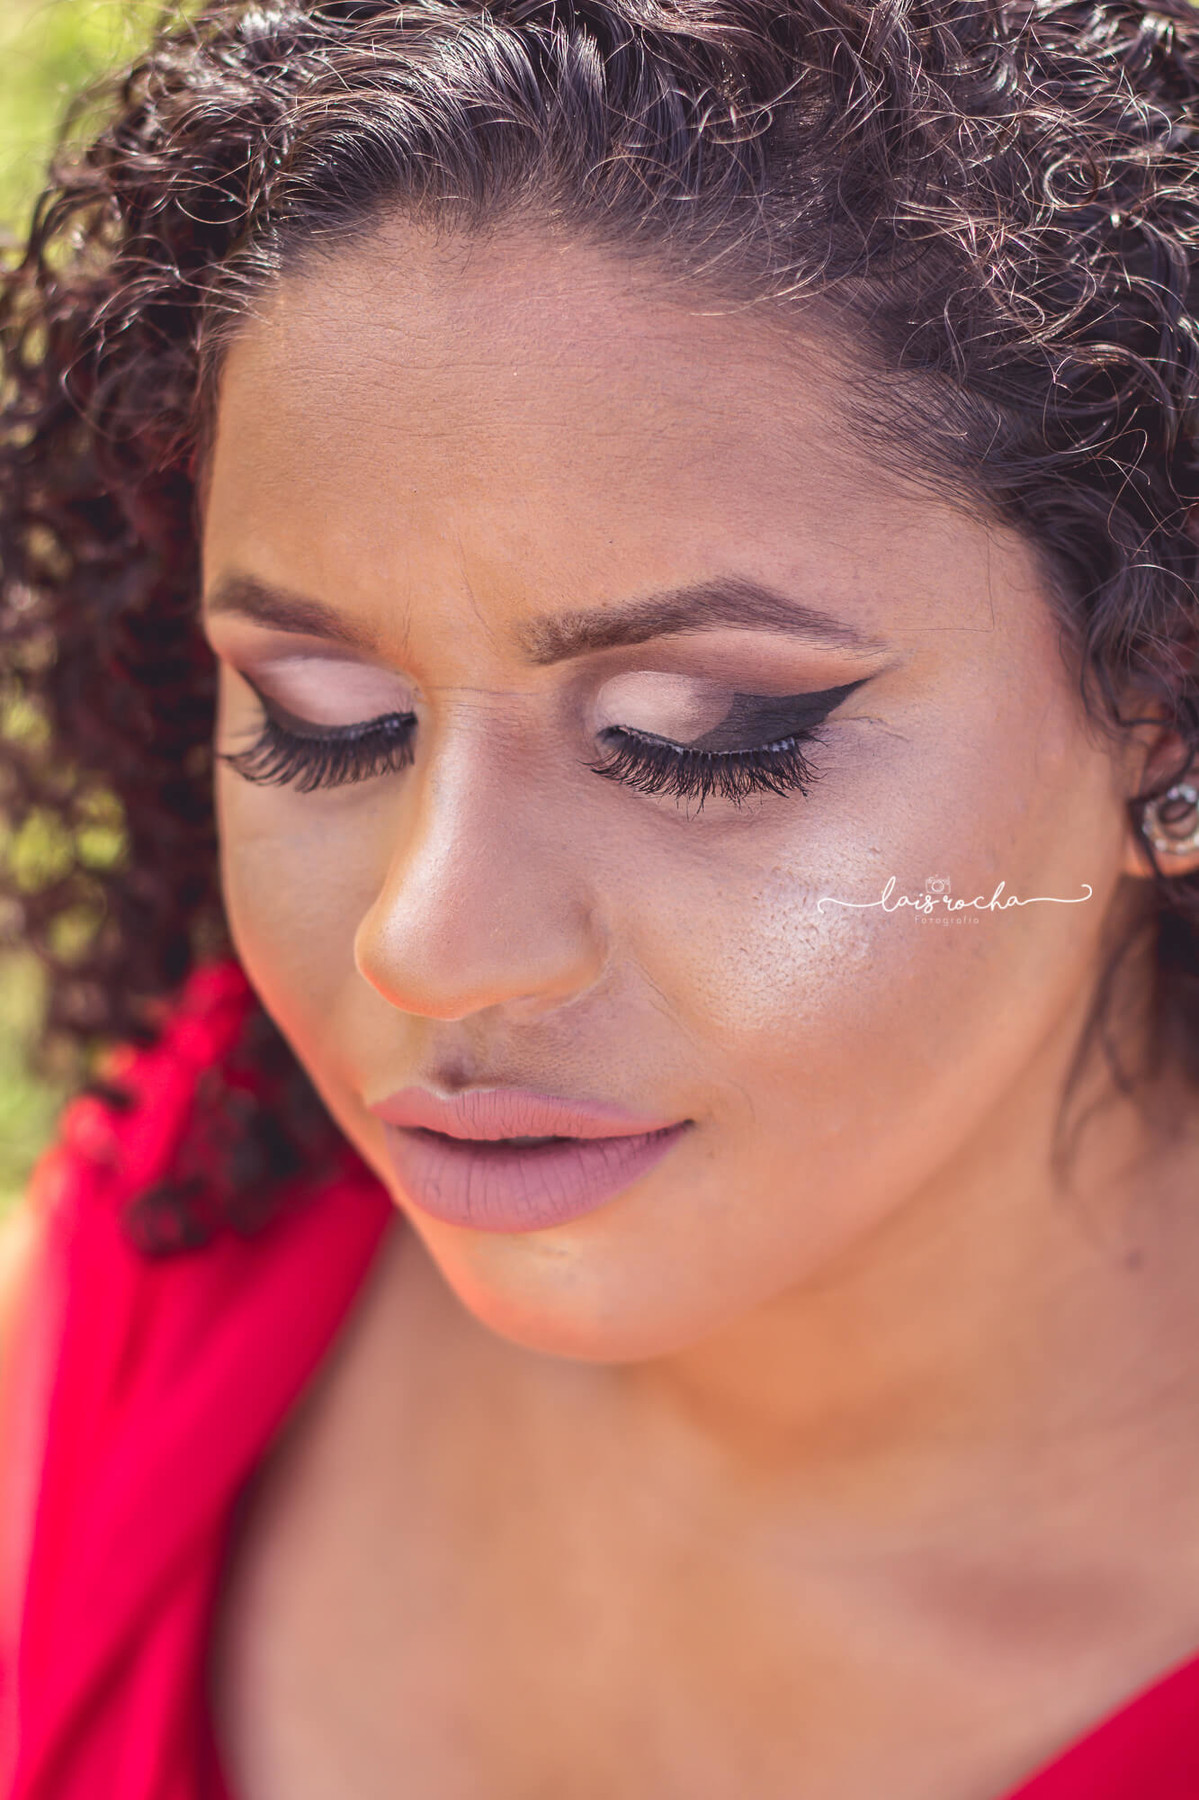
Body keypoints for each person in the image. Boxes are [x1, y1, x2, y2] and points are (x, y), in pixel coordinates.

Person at [5, 0, 1199, 1793]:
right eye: (328, 718)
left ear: (1161, 698)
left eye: (701, 738)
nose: (427, 945)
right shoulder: (199, 1203)